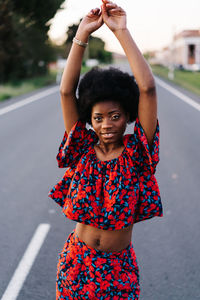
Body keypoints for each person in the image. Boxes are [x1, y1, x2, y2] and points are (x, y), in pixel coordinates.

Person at [48, 0, 163, 299]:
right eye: (98, 118)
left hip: (118, 269)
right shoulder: (83, 148)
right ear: (90, 118)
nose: (107, 124)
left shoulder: (138, 154)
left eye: (115, 116)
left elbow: (148, 89)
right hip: (76, 264)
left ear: (127, 116)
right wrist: (82, 35)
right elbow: (65, 91)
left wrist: (121, 32)